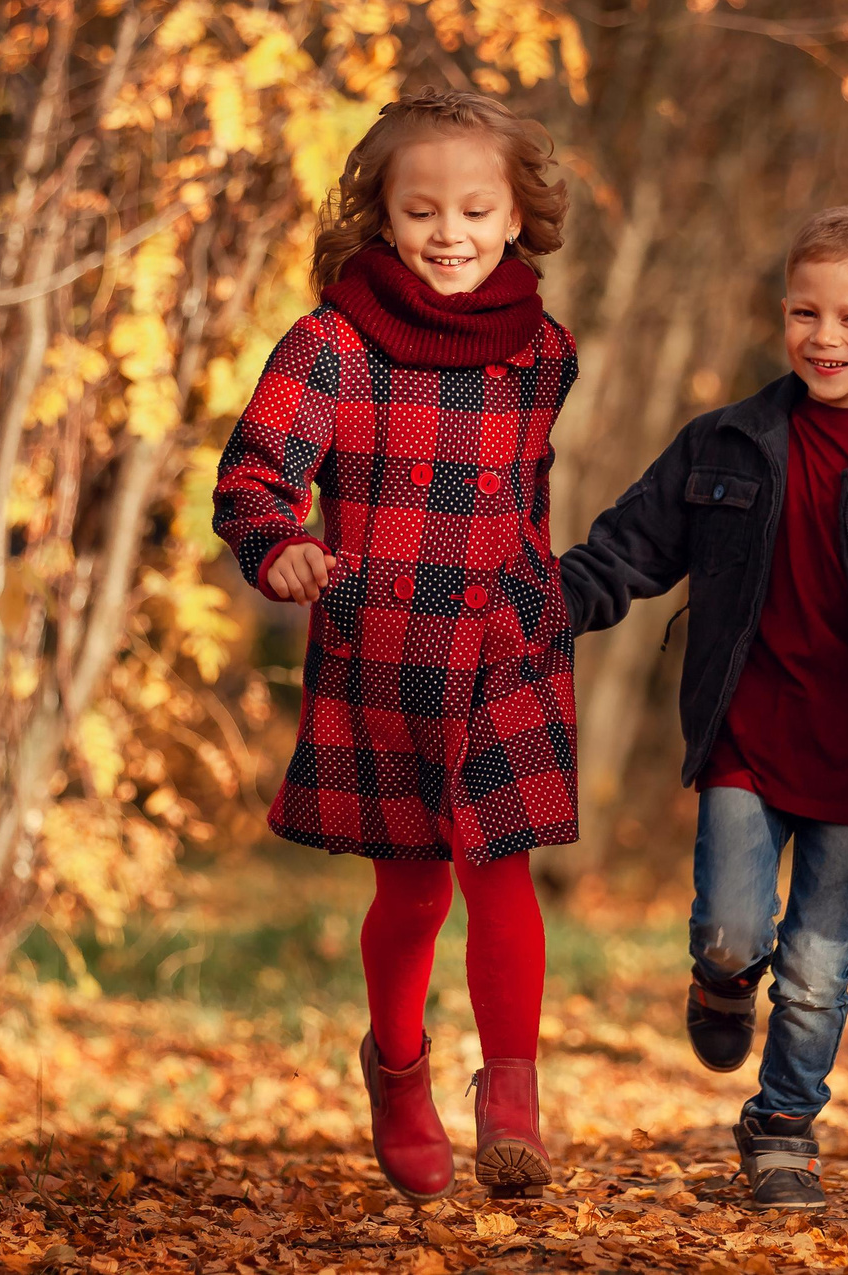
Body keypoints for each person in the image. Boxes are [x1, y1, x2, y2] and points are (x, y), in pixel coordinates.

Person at [557, 205, 848, 1209]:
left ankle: (783, 1127)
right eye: (806, 312)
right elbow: (625, 550)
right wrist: (540, 605)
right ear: (782, 314)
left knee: (814, 970)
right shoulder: (725, 442)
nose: (826, 338)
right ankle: (719, 983)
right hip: (748, 736)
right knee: (731, 931)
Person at [212, 91, 578, 1202]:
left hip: (508, 643)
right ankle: (399, 1069)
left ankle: (511, 1096)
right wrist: (276, 544)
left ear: (516, 216)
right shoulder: (330, 345)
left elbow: (528, 501)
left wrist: (542, 602)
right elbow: (253, 474)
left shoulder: (544, 353)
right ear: (382, 214)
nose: (450, 231)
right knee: (416, 895)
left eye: (475, 207)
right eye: (422, 209)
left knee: (502, 876)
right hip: (388, 653)